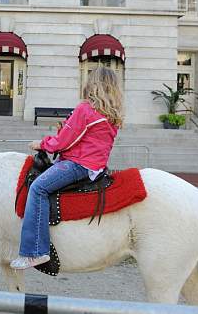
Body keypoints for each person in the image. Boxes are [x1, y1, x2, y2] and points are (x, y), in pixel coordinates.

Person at [10, 67, 123, 270]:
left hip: (78, 165)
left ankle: (35, 251)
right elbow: (85, 140)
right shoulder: (111, 115)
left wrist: (43, 143)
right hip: (95, 167)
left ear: (94, 84)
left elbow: (64, 142)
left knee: (38, 188)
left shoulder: (85, 109)